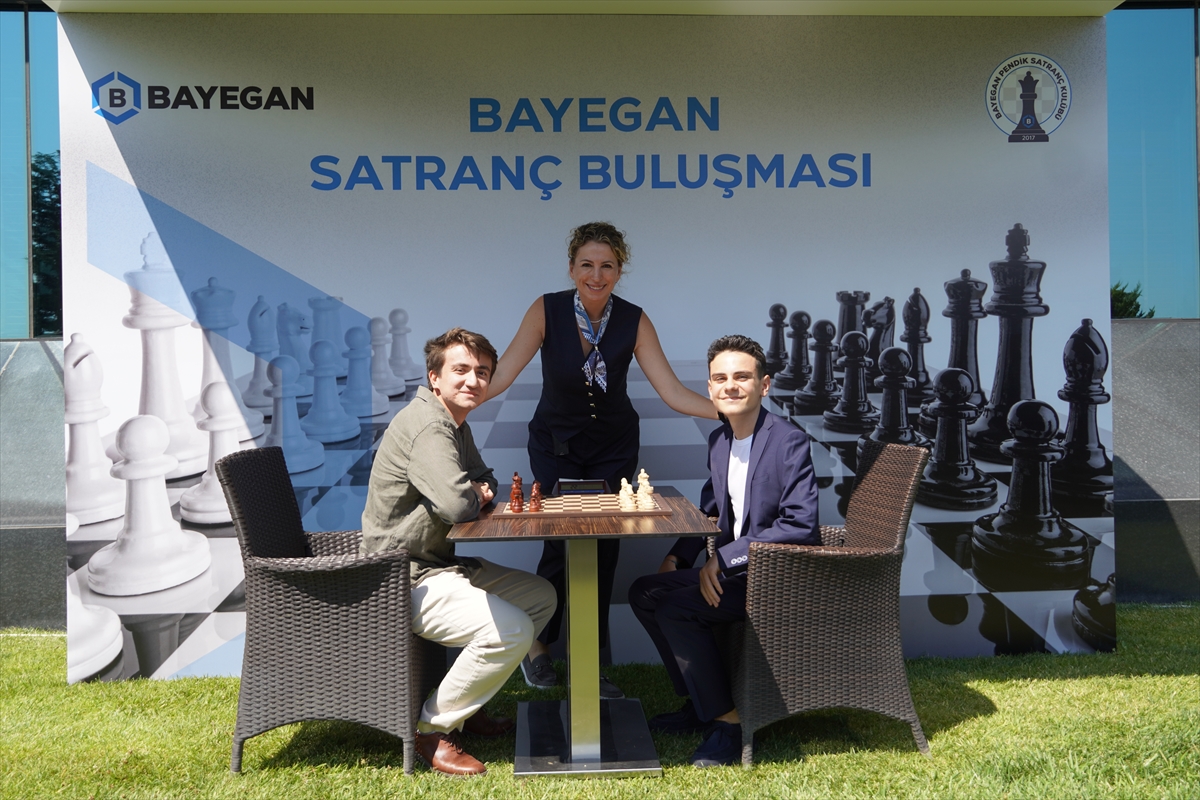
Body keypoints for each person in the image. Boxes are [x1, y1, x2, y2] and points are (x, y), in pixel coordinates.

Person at [487, 222, 717, 697]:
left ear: (619, 269)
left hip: (612, 446)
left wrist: (733, 410)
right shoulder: (547, 310)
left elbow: (672, 391)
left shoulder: (634, 319)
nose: (597, 275)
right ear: (572, 268)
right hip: (555, 443)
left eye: (607, 265)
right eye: (587, 265)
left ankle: (589, 660)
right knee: (559, 543)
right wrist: (451, 403)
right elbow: (503, 373)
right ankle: (538, 645)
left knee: (606, 546)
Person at [361, 328, 556, 777]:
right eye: (461, 370)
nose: (473, 380)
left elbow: (485, 478)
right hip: (402, 577)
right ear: (435, 377)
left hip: (440, 564)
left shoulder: (454, 423)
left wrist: (474, 490)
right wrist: (473, 492)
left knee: (540, 597)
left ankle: (467, 706)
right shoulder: (429, 426)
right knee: (511, 630)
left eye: (482, 372)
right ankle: (432, 730)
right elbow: (457, 504)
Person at [628, 335, 820, 767]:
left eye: (742, 377)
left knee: (676, 608)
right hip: (739, 574)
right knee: (646, 591)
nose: (730, 386)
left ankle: (728, 723)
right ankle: (701, 703)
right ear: (710, 388)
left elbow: (800, 525)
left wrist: (725, 558)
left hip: (776, 577)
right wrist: (679, 557)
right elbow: (712, 510)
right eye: (720, 378)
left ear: (764, 385)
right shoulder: (720, 440)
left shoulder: (788, 441)